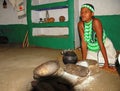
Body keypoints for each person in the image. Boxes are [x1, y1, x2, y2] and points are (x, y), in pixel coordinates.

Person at [78, 3, 117, 71]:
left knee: (111, 60)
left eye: (86, 12)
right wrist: (84, 62)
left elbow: (100, 42)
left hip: (104, 45)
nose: (83, 14)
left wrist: (106, 64)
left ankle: (109, 62)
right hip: (92, 47)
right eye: (82, 12)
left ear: (92, 14)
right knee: (88, 60)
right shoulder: (80, 24)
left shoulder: (96, 22)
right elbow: (84, 43)